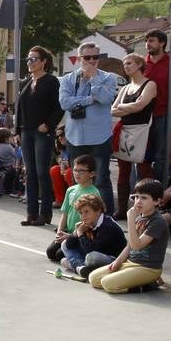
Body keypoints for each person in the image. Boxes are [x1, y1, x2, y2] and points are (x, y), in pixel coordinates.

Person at [59, 42, 118, 214]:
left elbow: (106, 98)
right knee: (78, 180)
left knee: (100, 180)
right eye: (87, 57)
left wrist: (94, 78)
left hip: (99, 137)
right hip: (75, 137)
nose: (92, 61)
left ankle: (106, 221)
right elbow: (64, 103)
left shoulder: (108, 77)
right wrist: (88, 100)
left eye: (95, 57)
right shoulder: (69, 79)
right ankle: (77, 218)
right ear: (79, 59)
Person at [89, 179, 169, 294]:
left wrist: (130, 219)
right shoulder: (140, 217)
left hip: (148, 268)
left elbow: (137, 246)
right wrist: (117, 261)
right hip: (130, 263)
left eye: (144, 198)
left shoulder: (158, 222)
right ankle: (138, 280)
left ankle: (147, 285)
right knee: (94, 279)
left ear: (157, 201)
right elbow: (130, 245)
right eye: (136, 197)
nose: (138, 201)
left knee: (108, 284)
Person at [16, 46, 64, 227]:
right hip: (27, 132)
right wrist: (17, 131)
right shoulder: (27, 82)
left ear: (43, 61)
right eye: (28, 59)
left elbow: (59, 107)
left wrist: (49, 124)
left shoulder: (51, 81)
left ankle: (45, 214)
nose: (30, 62)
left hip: (43, 132)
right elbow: (19, 108)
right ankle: (31, 213)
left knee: (42, 172)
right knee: (30, 173)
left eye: (34, 59)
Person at [140, 29, 171, 180]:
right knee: (141, 156)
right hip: (143, 116)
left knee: (162, 156)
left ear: (162, 43)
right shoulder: (142, 63)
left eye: (152, 40)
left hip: (163, 115)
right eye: (147, 40)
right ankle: (142, 191)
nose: (148, 44)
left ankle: (159, 194)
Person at [112, 53, 157, 212]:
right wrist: (132, 107)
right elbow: (113, 110)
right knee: (123, 171)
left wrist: (123, 108)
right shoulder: (125, 88)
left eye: (129, 63)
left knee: (144, 170)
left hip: (143, 132)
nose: (126, 66)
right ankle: (122, 209)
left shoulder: (150, 84)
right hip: (125, 131)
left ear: (139, 64)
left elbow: (141, 105)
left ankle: (149, 208)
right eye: (125, 64)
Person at [47, 154, 100, 262]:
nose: (77, 174)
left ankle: (81, 252)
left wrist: (71, 236)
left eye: (81, 171)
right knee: (51, 252)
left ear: (92, 174)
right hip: (68, 231)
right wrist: (60, 231)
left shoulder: (94, 193)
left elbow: (91, 222)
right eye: (75, 170)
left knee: (59, 255)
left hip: (82, 234)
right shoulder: (71, 190)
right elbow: (65, 213)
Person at [59, 193, 124, 278]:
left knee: (91, 257)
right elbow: (69, 245)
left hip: (112, 258)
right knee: (64, 244)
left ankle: (76, 265)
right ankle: (81, 267)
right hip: (93, 252)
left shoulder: (107, 225)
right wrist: (76, 232)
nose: (83, 216)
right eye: (81, 213)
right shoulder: (89, 223)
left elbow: (91, 250)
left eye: (86, 212)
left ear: (98, 211)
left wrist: (80, 233)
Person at [0, 128, 21, 195]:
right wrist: (16, 146)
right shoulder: (8, 147)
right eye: (11, 137)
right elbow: (16, 155)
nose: (12, 138)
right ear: (6, 139)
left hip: (1, 168)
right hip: (9, 167)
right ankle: (12, 189)